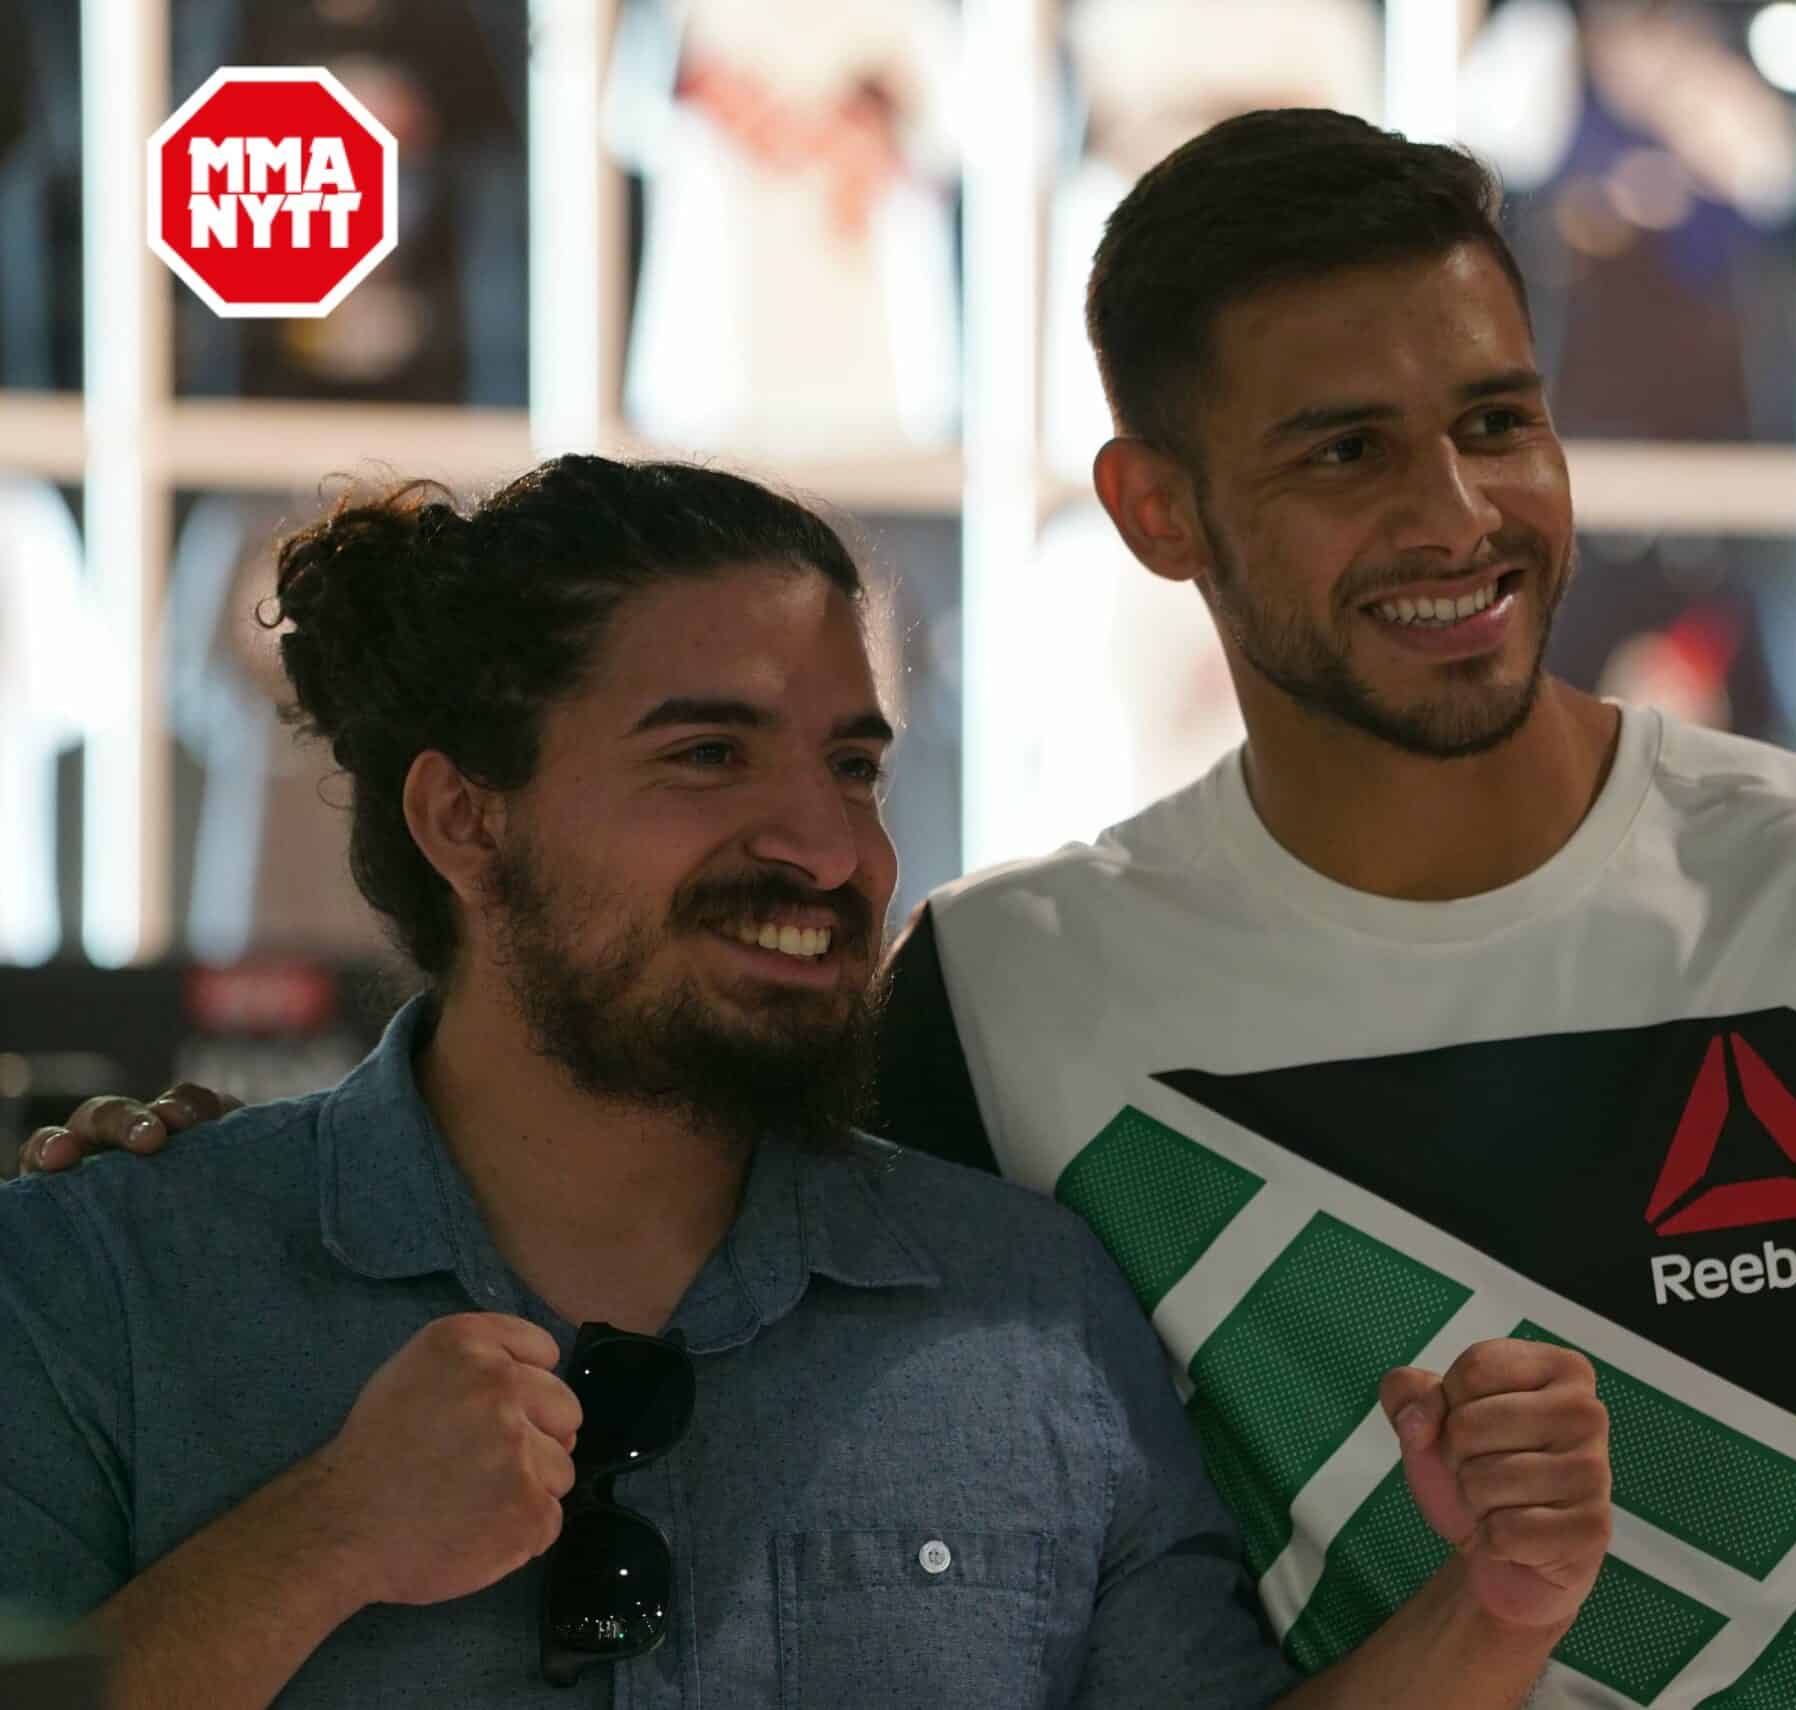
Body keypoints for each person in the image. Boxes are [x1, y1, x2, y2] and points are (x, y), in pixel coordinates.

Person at [22, 110, 1796, 1706]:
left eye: (1495, 418)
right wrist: (214, 1181)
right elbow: (620, 1184)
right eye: (1345, 448)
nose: (1459, 512)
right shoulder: (1006, 984)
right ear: (1159, 509)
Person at [0, 457, 1613, 1707]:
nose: (829, 847)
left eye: (853, 763)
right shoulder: (111, 1273)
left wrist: (1496, 1597)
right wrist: (325, 1535)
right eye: (707, 755)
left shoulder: (1031, 1305)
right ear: (466, 822)